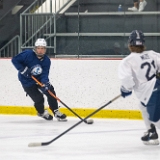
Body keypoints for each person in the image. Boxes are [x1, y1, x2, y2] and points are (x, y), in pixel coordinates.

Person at [118, 30, 160, 145]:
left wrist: (125, 89)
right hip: (155, 88)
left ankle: (152, 130)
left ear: (130, 44)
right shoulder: (152, 54)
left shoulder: (127, 61)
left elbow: (127, 80)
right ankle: (151, 133)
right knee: (142, 106)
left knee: (156, 119)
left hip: (151, 92)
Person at [12, 38, 67, 121]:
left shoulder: (46, 60)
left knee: (50, 91)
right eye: (39, 48)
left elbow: (44, 73)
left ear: (45, 49)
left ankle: (55, 111)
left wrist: (45, 83)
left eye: (43, 48)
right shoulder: (28, 54)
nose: (40, 50)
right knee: (39, 98)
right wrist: (23, 69)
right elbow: (15, 60)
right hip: (27, 81)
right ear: (35, 48)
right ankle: (41, 112)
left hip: (39, 80)